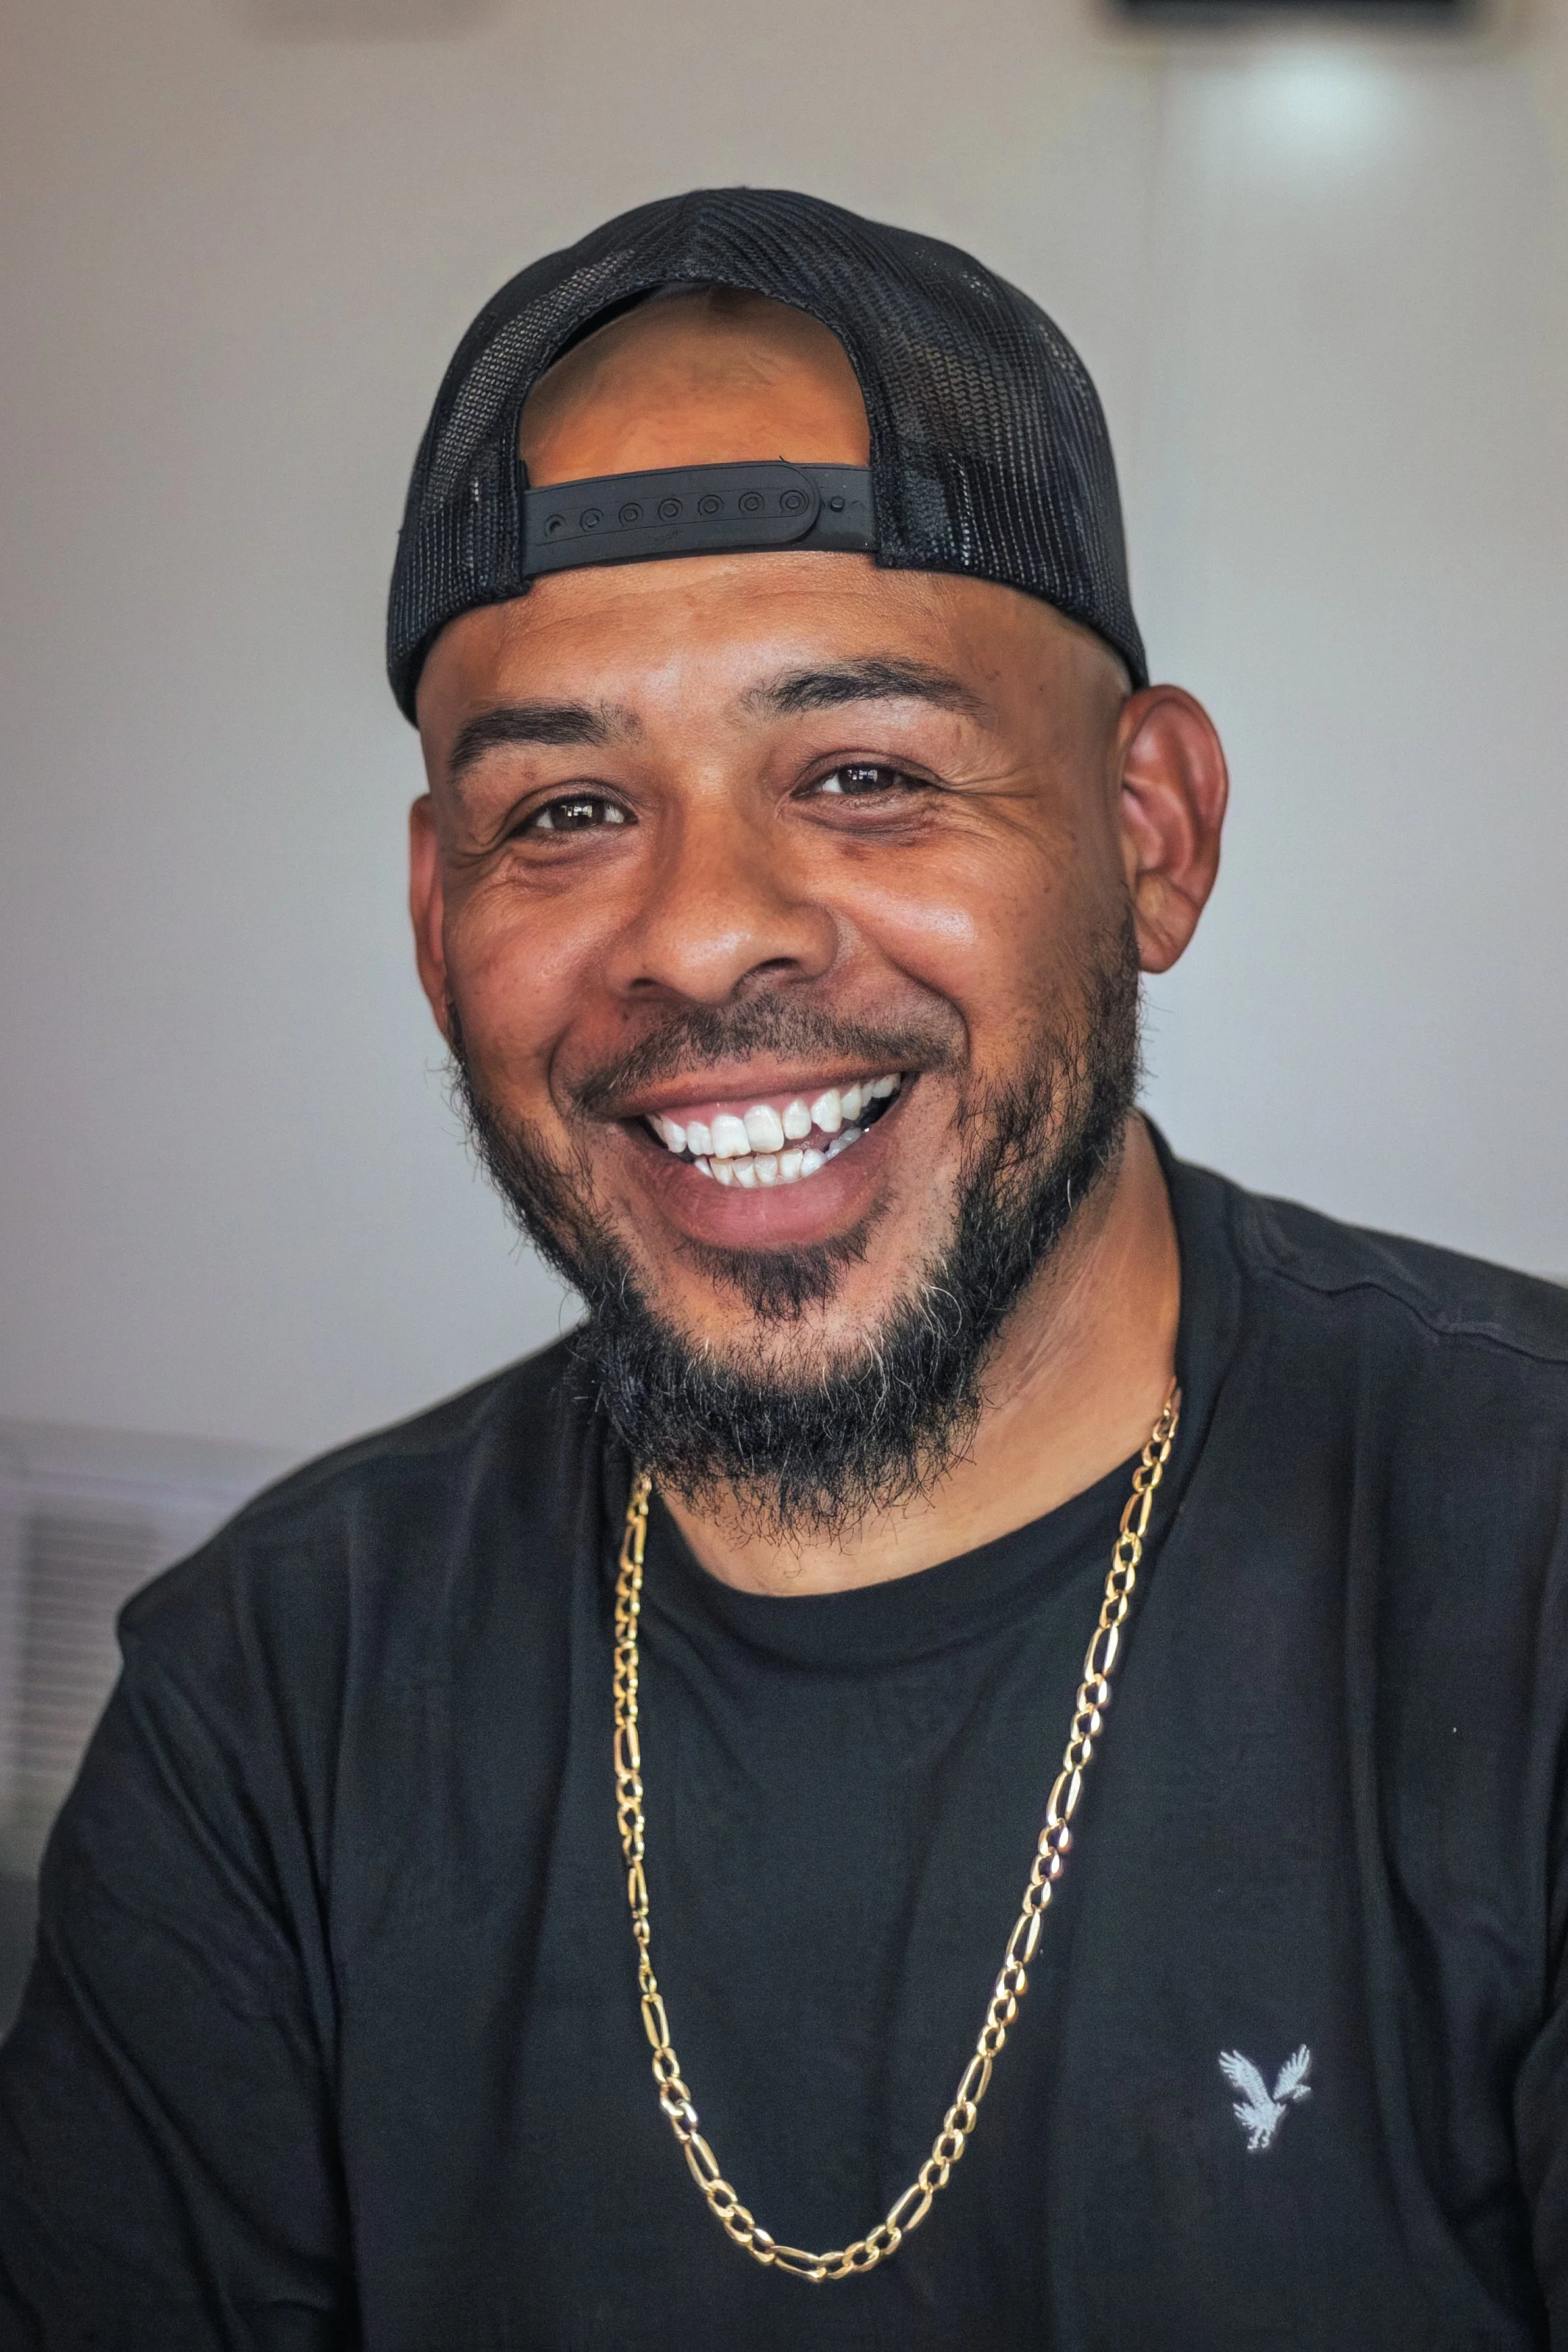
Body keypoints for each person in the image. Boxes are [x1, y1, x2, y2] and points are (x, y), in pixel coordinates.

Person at [1, 187, 1565, 2352]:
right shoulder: (269, 1707)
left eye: (861, 772)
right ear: (433, 906)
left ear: (1152, 834)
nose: (702, 929)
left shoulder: (1531, 1569)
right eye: (563, 812)